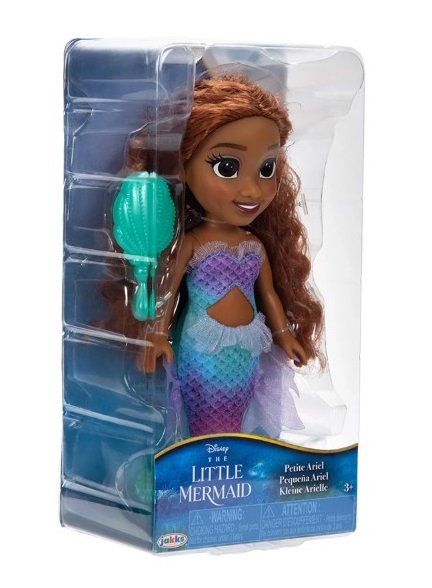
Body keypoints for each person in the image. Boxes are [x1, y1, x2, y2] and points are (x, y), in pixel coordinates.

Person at [105, 74, 324, 438]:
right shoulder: (191, 242)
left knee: (240, 410)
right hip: (202, 346)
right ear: (184, 165)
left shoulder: (255, 245)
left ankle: (230, 459)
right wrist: (156, 333)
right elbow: (168, 290)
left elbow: (268, 294)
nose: (252, 189)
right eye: (227, 167)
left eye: (267, 168)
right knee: (204, 413)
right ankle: (201, 454)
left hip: (248, 345)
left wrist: (284, 334)